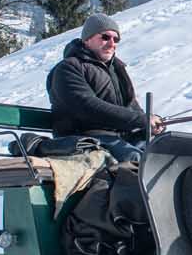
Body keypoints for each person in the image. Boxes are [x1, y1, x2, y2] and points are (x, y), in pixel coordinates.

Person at [46, 13, 165, 164]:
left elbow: (131, 105)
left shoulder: (117, 69)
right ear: (87, 39)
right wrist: (140, 120)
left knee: (167, 152)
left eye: (116, 39)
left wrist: (148, 124)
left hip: (120, 137)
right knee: (135, 159)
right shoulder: (69, 68)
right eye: (105, 37)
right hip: (84, 138)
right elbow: (87, 106)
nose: (111, 43)